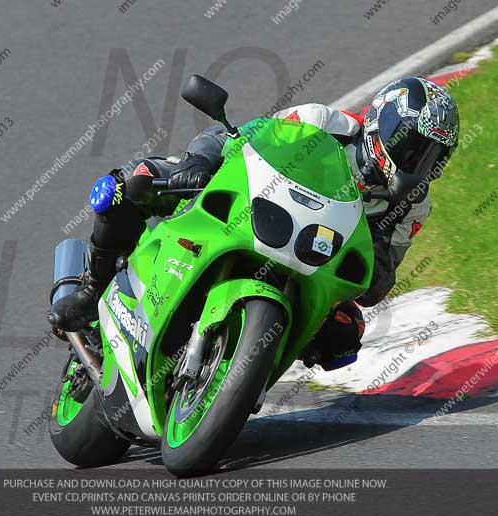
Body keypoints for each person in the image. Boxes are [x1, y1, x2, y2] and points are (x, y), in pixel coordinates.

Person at [47, 76, 459, 371]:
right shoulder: (324, 123)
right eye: (413, 146)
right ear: (382, 123)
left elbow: (378, 280)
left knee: (345, 333)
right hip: (250, 205)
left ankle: (245, 372)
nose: (418, 163)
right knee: (128, 184)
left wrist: (379, 237)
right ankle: (90, 290)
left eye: (431, 156)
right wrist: (196, 164)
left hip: (309, 256)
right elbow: (238, 139)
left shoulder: (413, 206)